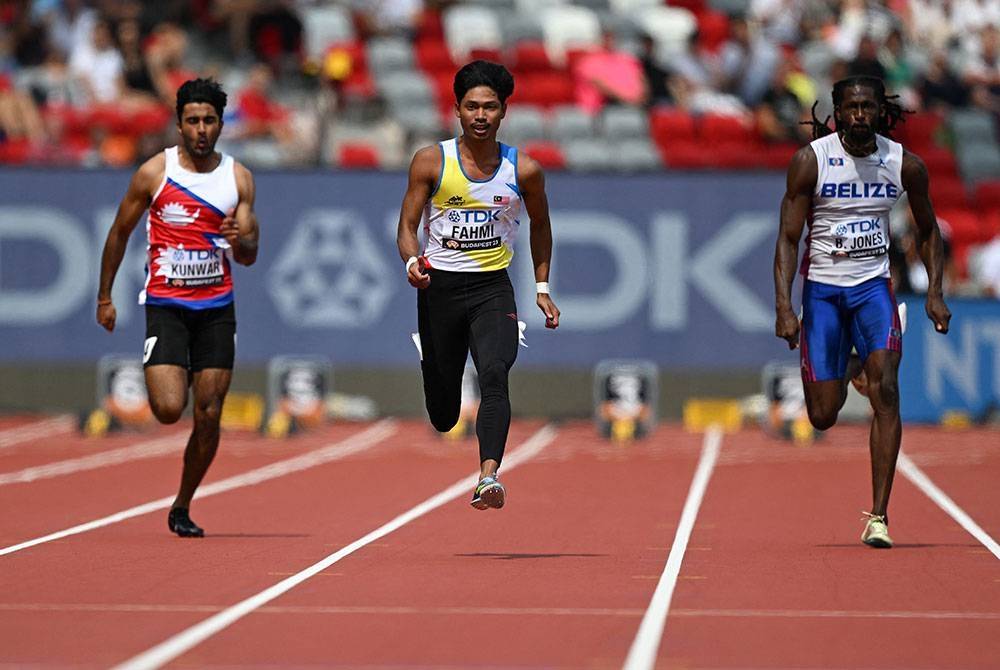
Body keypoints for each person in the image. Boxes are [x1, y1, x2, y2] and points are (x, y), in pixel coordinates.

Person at [773, 76, 951, 548]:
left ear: (879, 111)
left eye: (867, 107)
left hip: (873, 290)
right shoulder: (811, 162)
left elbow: (929, 231)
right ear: (837, 110)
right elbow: (789, 238)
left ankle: (879, 515)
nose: (858, 115)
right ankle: (851, 364)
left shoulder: (903, 164)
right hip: (824, 293)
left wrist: (935, 291)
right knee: (823, 416)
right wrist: (784, 306)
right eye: (850, 107)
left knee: (887, 391)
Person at [96, 78, 260, 537]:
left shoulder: (238, 178)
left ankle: (182, 504)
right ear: (179, 124)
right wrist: (105, 296)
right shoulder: (154, 172)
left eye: (209, 120)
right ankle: (168, 365)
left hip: (216, 308)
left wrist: (241, 241)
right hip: (166, 305)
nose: (201, 129)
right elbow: (119, 232)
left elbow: (250, 252)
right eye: (192, 120)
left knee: (208, 412)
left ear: (221, 124)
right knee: (170, 409)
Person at [396, 60, 560, 510]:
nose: (481, 116)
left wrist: (541, 288)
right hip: (440, 291)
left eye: (490, 107)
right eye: (472, 107)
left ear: (504, 112)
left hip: (492, 287)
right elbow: (407, 226)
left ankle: (488, 476)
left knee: (494, 371)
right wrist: (412, 260)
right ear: (457, 110)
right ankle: (433, 364)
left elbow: (541, 226)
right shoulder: (431, 161)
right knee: (444, 415)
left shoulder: (523, 170)